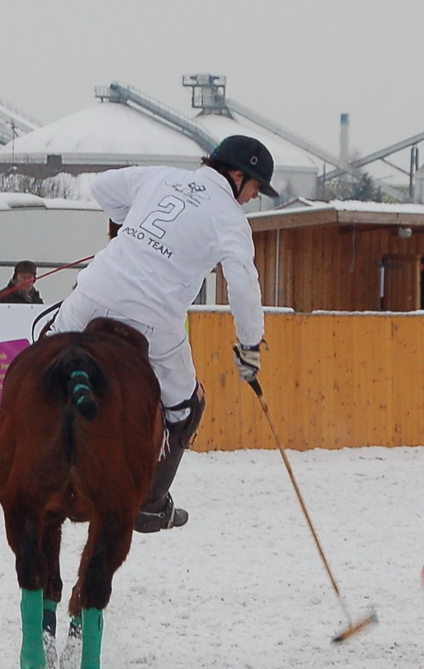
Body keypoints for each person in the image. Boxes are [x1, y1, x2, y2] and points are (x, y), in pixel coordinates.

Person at [51, 135, 276, 531]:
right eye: (256, 186)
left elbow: (102, 188)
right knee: (186, 407)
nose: (254, 196)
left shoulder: (158, 177)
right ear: (238, 176)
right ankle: (150, 503)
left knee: (45, 356)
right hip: (153, 319)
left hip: (93, 292)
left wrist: (130, 228)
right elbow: (242, 282)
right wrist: (250, 342)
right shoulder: (230, 218)